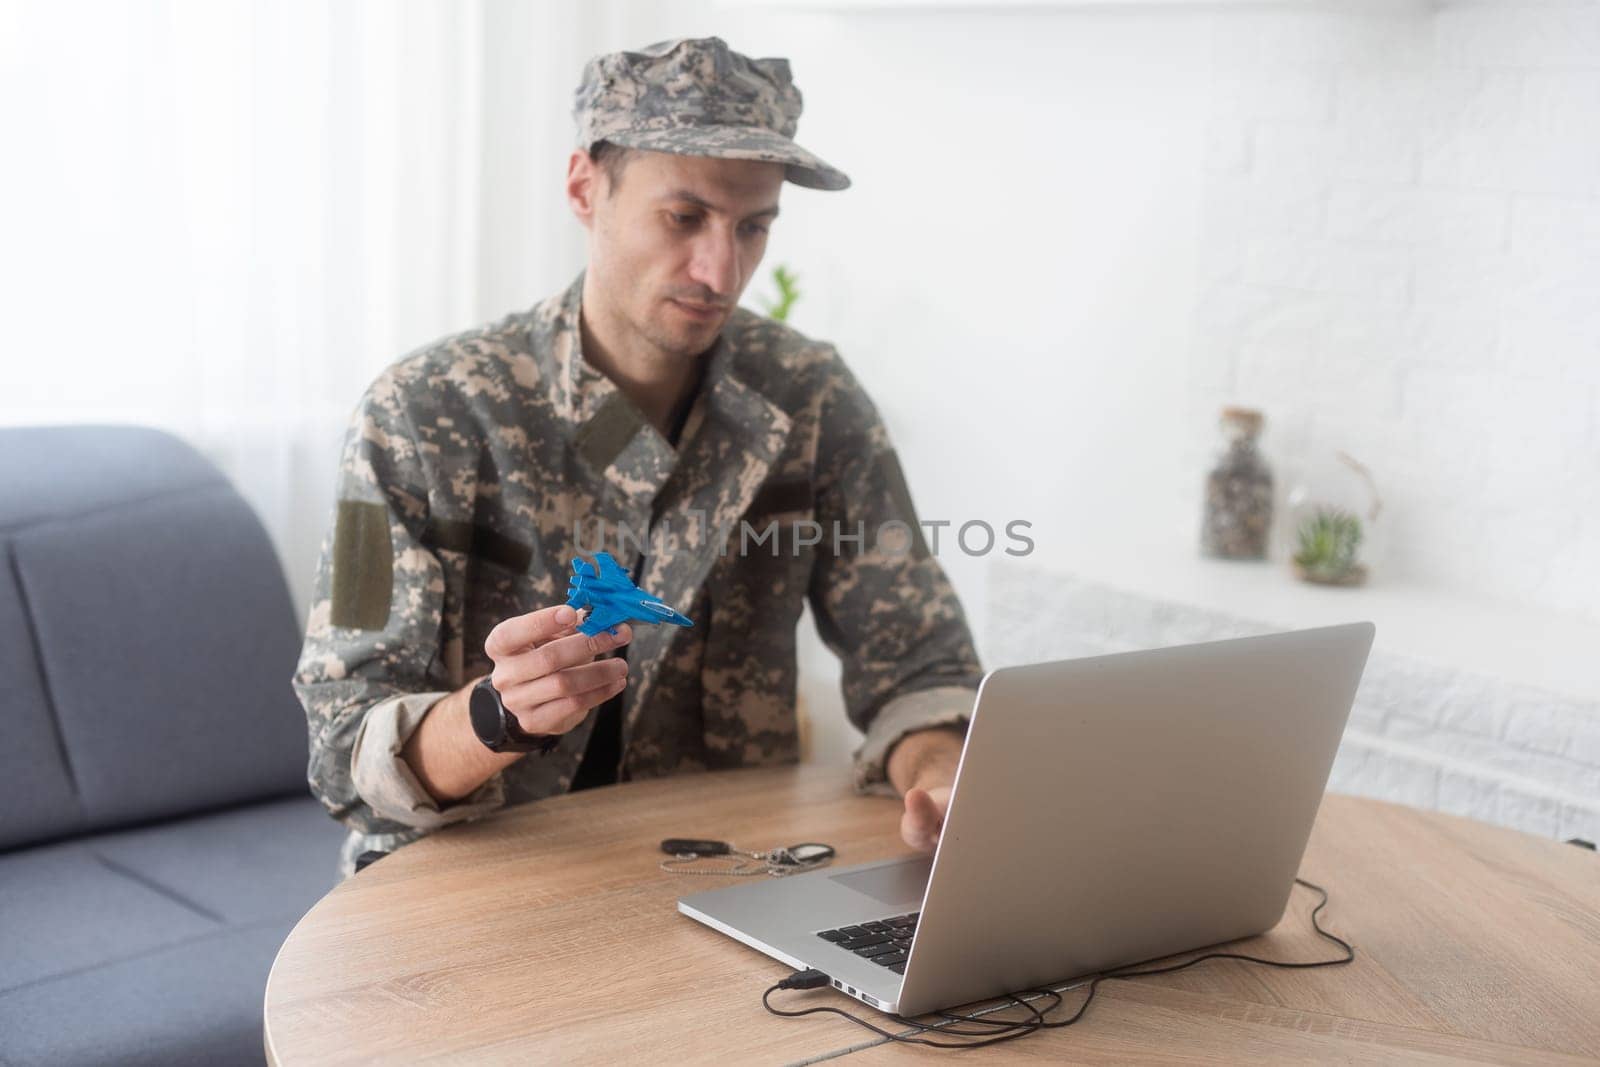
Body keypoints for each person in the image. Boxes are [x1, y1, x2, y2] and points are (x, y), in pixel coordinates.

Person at [292, 36, 985, 880]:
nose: (721, 268)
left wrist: (942, 776)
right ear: (586, 188)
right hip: (466, 887)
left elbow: (921, 664)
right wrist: (496, 714)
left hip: (723, 877)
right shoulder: (412, 412)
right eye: (684, 217)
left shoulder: (812, 398)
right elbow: (343, 743)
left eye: (754, 226)